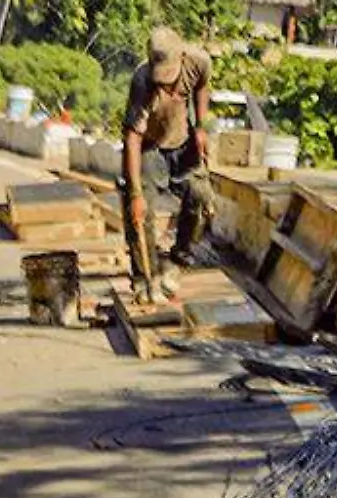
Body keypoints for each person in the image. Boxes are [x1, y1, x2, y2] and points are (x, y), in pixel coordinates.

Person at [121, 26, 217, 305]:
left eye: (170, 78)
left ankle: (177, 262)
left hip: (183, 140)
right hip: (149, 146)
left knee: (201, 198)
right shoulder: (141, 82)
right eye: (160, 79)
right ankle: (143, 278)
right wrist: (136, 193)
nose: (165, 85)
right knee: (140, 213)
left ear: (182, 57)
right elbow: (133, 138)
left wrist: (200, 126)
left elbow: (201, 87)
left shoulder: (199, 62)